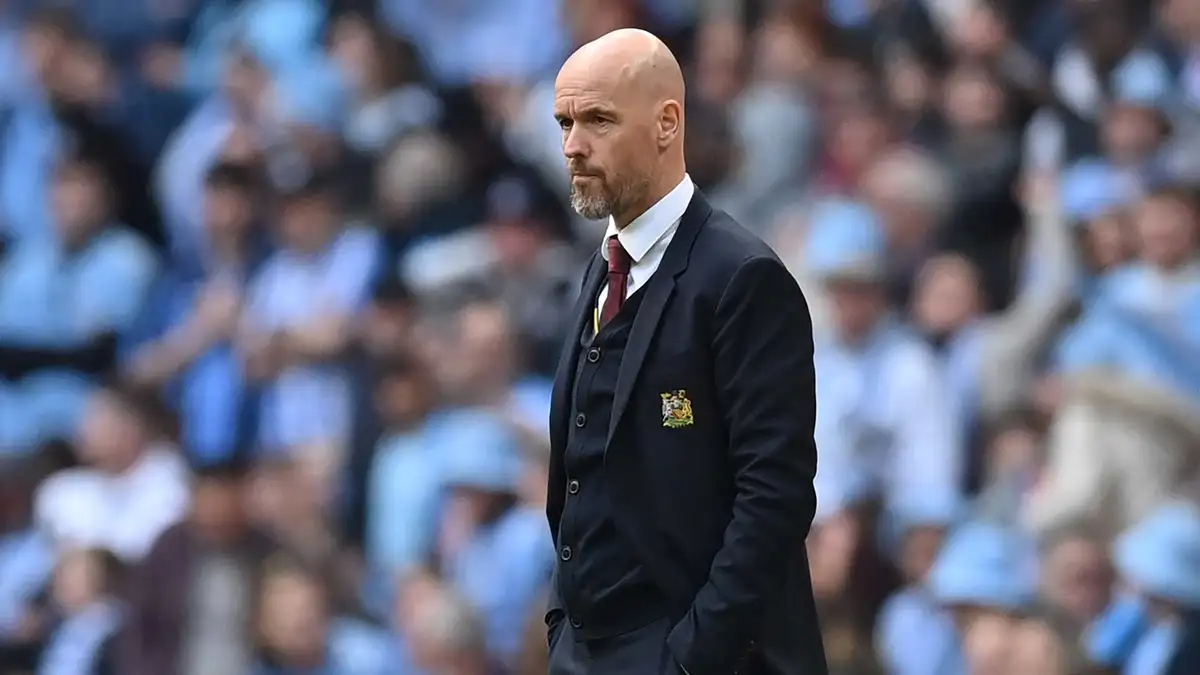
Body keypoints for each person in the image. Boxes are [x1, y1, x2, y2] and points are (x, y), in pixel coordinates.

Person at [545, 28, 826, 675]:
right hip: (587, 652)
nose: (572, 146)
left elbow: (775, 495)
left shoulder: (742, 275)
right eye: (564, 123)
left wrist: (693, 657)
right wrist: (563, 625)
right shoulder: (600, 269)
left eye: (598, 120)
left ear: (667, 123)